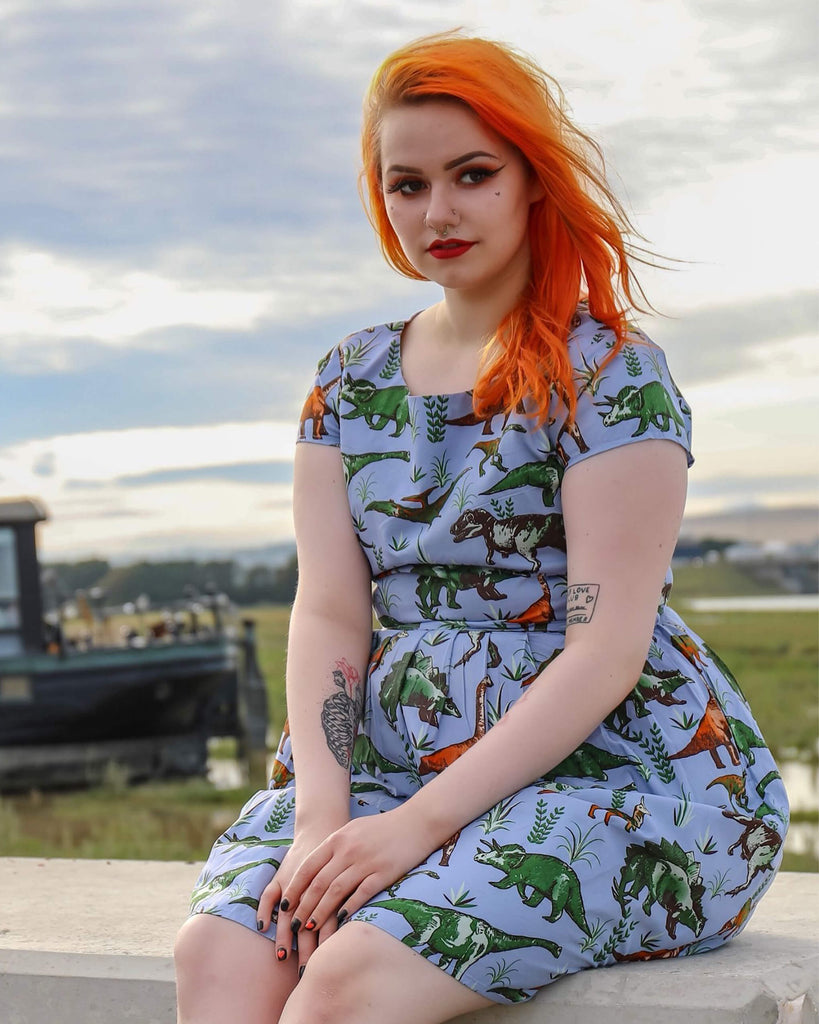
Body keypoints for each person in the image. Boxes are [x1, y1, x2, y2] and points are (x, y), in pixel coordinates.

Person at [174, 31, 789, 1024]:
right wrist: (323, 815)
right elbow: (329, 609)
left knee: (347, 979)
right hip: (384, 766)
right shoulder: (349, 379)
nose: (438, 212)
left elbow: (603, 649)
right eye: (407, 184)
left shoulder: (608, 373)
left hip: (605, 776)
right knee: (221, 952)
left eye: (472, 175)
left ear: (531, 178)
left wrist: (415, 830)